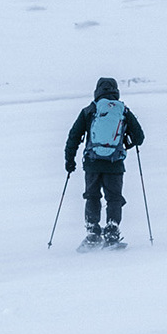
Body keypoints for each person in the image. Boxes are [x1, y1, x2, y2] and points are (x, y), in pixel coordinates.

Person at [65, 76, 145, 248]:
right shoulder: (123, 111)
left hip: (92, 163)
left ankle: (93, 233)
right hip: (115, 163)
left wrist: (69, 161)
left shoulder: (89, 110)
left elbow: (74, 136)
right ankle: (111, 232)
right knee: (114, 198)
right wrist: (124, 144)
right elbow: (139, 137)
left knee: (92, 196)